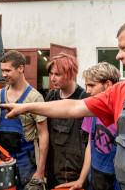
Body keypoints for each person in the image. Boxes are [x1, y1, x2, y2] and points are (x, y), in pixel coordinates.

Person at [0, 16, 125, 190]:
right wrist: (26, 107)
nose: (118, 56)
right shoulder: (124, 90)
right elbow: (74, 106)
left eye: (124, 48)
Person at [0, 50, 49, 190]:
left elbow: (43, 134)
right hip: (3, 157)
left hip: (26, 160)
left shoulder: (34, 98)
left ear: (21, 68)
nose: (4, 74)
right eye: (2, 70)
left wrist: (40, 171)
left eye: (8, 70)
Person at [56, 62, 121, 190]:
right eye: (86, 85)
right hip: (96, 180)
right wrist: (81, 180)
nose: (87, 91)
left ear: (108, 85)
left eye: (91, 85)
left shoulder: (123, 113)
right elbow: (90, 147)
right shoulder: (91, 111)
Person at [44, 53, 89, 190]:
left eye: (57, 74)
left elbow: (89, 143)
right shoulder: (51, 97)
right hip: (52, 166)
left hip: (75, 170)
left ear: (70, 74)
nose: (52, 79)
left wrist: (82, 177)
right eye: (51, 74)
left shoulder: (84, 98)